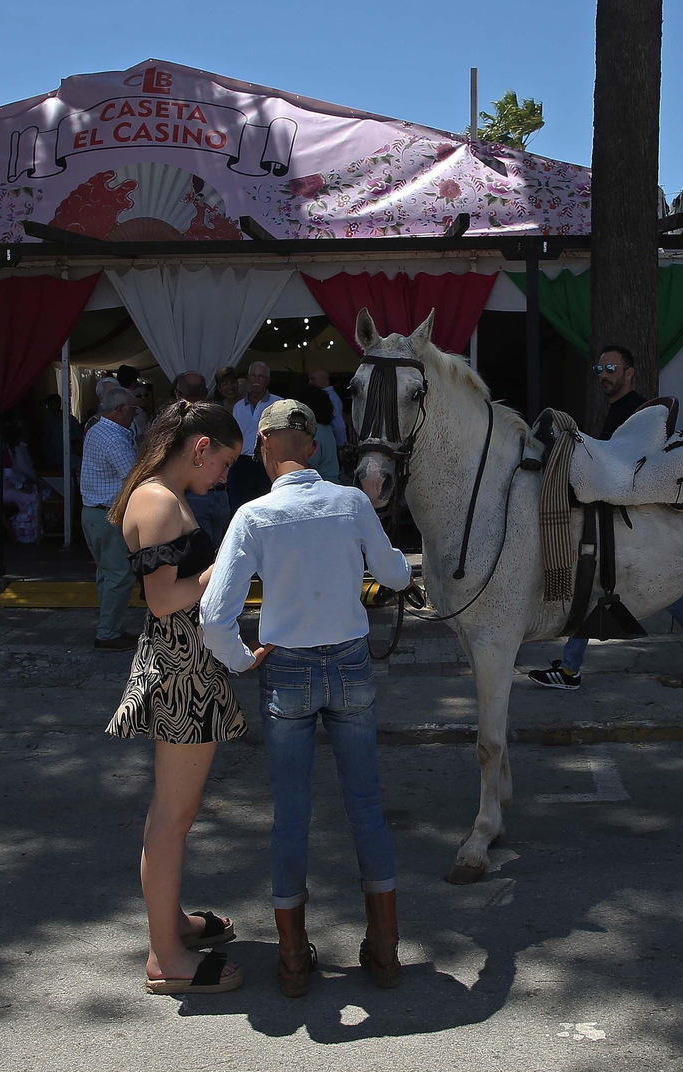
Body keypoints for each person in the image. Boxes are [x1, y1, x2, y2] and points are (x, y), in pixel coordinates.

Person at [201, 399, 412, 998]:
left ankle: (293, 960)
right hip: (348, 660)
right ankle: (385, 951)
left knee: (291, 814)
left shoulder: (252, 515)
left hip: (286, 667)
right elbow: (394, 576)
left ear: (264, 445)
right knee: (365, 806)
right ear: (313, 448)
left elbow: (217, 615)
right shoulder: (350, 502)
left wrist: (243, 660)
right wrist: (397, 569)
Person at [105, 400, 254, 997]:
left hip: (183, 665)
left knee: (173, 816)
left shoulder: (154, 493)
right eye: (224, 462)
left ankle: (172, 927)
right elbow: (165, 599)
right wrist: (223, 568)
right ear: (200, 447)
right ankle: (166, 956)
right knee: (172, 819)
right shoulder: (160, 501)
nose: (224, 475)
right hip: (181, 670)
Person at [527, 345, 683, 691]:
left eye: (611, 368)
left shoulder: (637, 413)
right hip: (627, 520)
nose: (604, 375)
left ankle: (571, 670)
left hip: (638, 520)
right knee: (650, 590)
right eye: (599, 370)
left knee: (607, 584)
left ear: (629, 373)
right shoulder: (622, 412)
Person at [80, 386, 141, 651]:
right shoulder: (115, 438)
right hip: (108, 514)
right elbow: (133, 478)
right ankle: (108, 633)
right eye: (133, 409)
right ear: (120, 409)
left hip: (94, 513)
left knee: (107, 574)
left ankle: (111, 628)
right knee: (120, 575)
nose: (135, 414)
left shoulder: (96, 430)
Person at [173, 373, 232, 546]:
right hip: (220, 492)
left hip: (194, 495)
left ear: (178, 393)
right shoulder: (221, 418)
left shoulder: (174, 422)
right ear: (206, 392)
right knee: (220, 553)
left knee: (202, 556)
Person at [229, 361, 280, 510]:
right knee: (244, 505)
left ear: (267, 381)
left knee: (267, 504)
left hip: (267, 461)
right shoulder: (239, 406)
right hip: (242, 463)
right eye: (253, 376)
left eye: (261, 377)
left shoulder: (278, 403)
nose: (256, 380)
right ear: (248, 378)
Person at [1, 422, 46, 545]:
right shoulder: (4, 451)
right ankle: (26, 534)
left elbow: (16, 472)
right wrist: (21, 485)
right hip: (3, 489)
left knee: (34, 492)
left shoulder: (9, 450)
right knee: (31, 496)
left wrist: (24, 483)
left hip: (9, 487)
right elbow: (9, 473)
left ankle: (33, 533)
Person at [296, 385, 341, 482]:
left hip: (320, 486)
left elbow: (307, 468)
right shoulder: (326, 428)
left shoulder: (314, 432)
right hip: (331, 483)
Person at [307, 367, 349, 447]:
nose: (310, 382)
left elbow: (338, 425)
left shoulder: (329, 397)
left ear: (324, 379)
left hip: (330, 442)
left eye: (313, 379)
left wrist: (341, 445)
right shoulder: (328, 396)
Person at [42, 393, 83, 473]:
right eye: (48, 405)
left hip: (70, 458)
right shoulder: (49, 421)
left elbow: (79, 437)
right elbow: (46, 439)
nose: (50, 407)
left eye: (52, 404)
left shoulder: (70, 420)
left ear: (58, 404)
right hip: (54, 457)